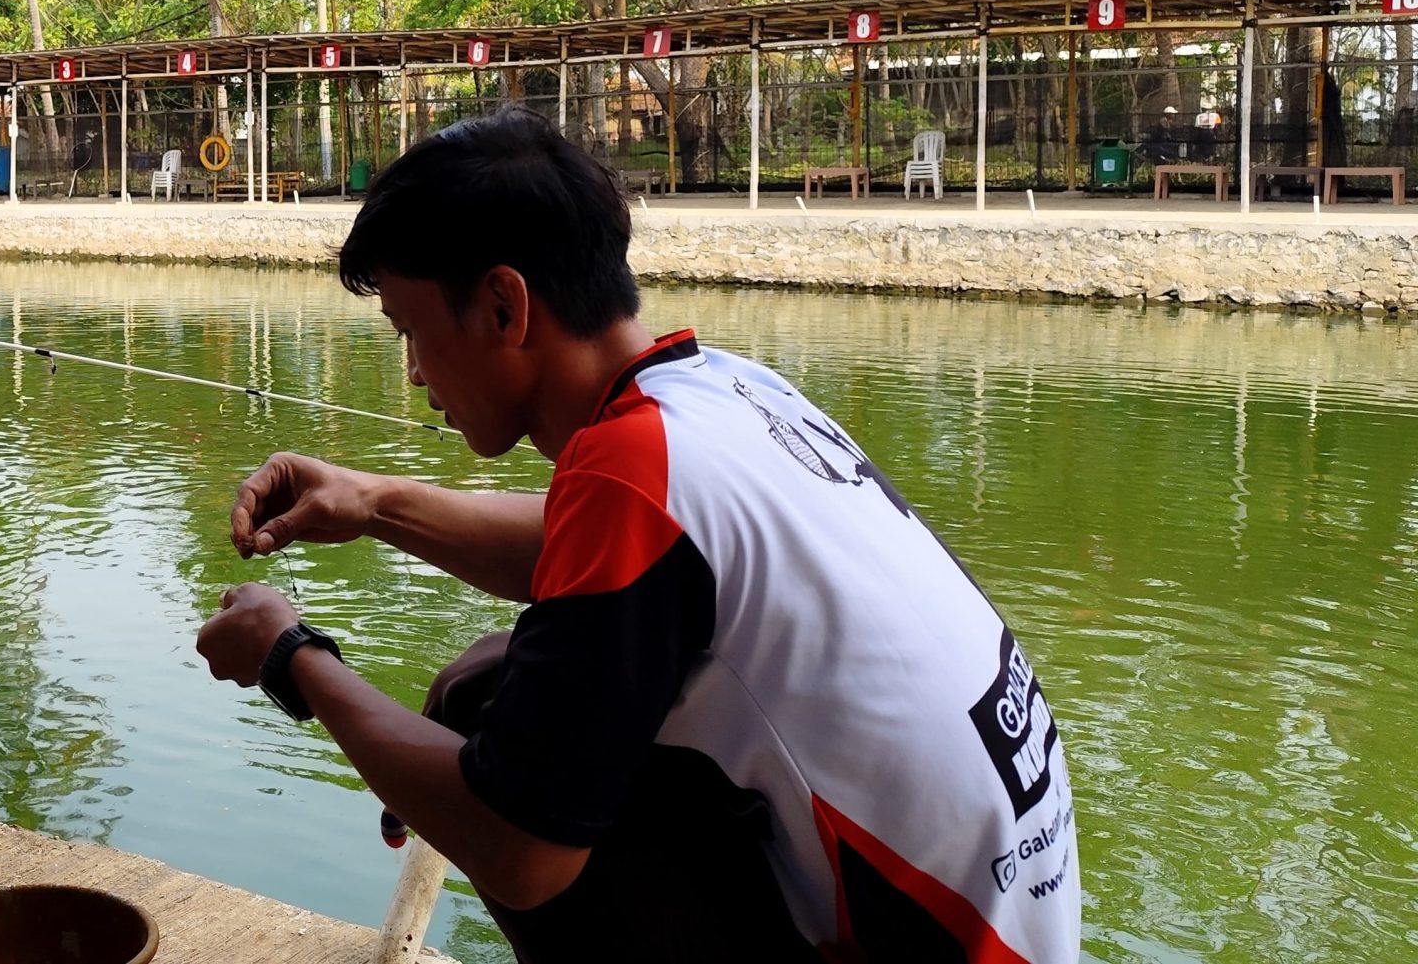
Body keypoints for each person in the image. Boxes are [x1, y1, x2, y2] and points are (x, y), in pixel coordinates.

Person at [195, 110, 1080, 962]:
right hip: (1002, 930)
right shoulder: (728, 390)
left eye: (411, 332)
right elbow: (598, 554)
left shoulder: (626, 469)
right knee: (506, 682)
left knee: (511, 761)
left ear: (506, 307)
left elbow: (520, 852)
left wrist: (292, 655)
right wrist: (372, 500)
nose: (416, 369)